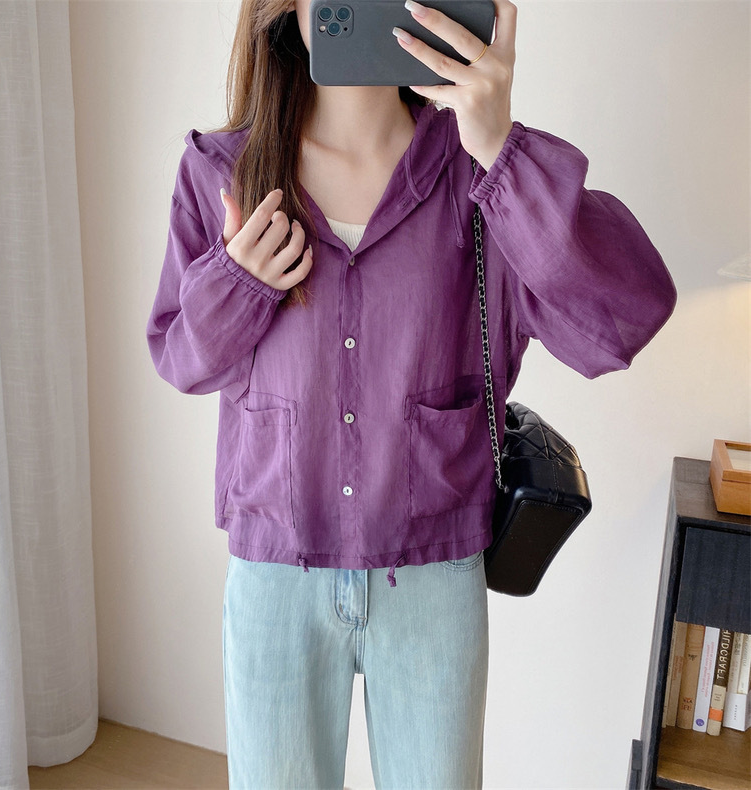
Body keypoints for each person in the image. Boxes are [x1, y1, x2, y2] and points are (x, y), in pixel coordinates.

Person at [146, 0, 676, 786]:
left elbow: (623, 318)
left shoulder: (476, 175)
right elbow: (181, 359)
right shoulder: (225, 173)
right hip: (277, 572)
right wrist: (237, 282)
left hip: (434, 574)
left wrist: (501, 148)